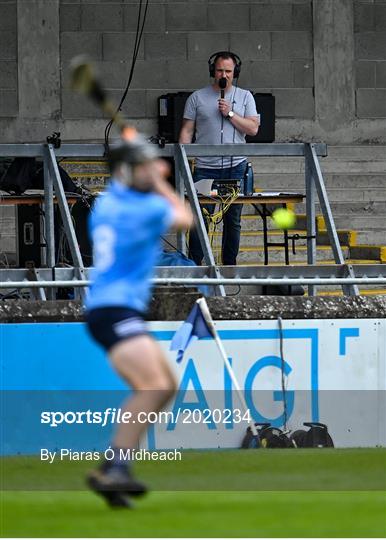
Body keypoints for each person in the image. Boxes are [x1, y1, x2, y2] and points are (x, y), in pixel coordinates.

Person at [84, 131, 193, 508]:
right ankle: (115, 467)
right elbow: (186, 217)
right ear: (131, 172)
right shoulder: (141, 210)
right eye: (146, 167)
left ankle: (114, 469)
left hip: (110, 310)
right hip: (114, 310)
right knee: (152, 386)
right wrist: (160, 178)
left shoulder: (108, 203)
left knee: (163, 386)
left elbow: (125, 180)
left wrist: (138, 159)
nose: (156, 170)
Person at [179, 51, 260, 266]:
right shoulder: (197, 97)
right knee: (200, 218)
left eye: (228, 71)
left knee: (233, 220)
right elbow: (187, 131)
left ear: (235, 73)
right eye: (219, 70)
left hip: (236, 166)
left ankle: (229, 266)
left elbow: (253, 129)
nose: (223, 74)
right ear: (212, 72)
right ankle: (194, 265)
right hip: (206, 168)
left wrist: (231, 114)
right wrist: (183, 160)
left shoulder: (245, 97)